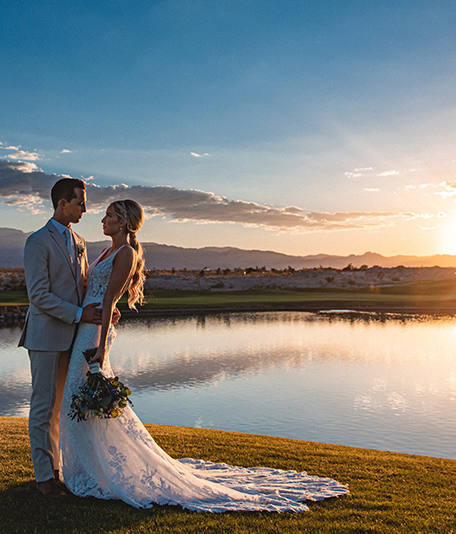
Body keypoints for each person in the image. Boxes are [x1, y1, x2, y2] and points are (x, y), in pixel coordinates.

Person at [58, 199, 349, 512]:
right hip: (86, 326)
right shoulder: (104, 250)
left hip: (94, 332)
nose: (103, 219)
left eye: (110, 215)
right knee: (78, 394)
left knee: (82, 392)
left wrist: (101, 346)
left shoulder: (125, 253)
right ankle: (87, 467)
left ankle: (96, 471)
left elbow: (110, 300)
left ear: (124, 222)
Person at [19, 177, 106, 498]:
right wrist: (80, 314)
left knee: (63, 407)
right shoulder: (37, 242)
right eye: (80, 202)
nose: (85, 208)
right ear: (62, 204)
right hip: (44, 337)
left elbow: (82, 288)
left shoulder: (79, 240)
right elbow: (38, 295)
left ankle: (59, 470)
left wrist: (101, 311)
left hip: (74, 338)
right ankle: (44, 479)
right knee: (43, 407)